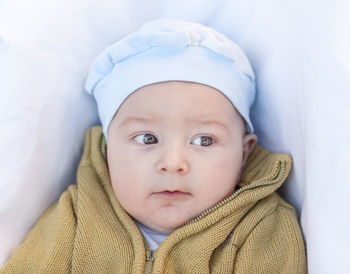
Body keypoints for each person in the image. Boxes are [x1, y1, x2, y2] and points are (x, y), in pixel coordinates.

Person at [1, 19, 306, 273]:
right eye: (147, 139)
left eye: (204, 140)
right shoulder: (77, 215)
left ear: (243, 153)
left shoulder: (263, 227)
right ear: (109, 150)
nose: (173, 163)